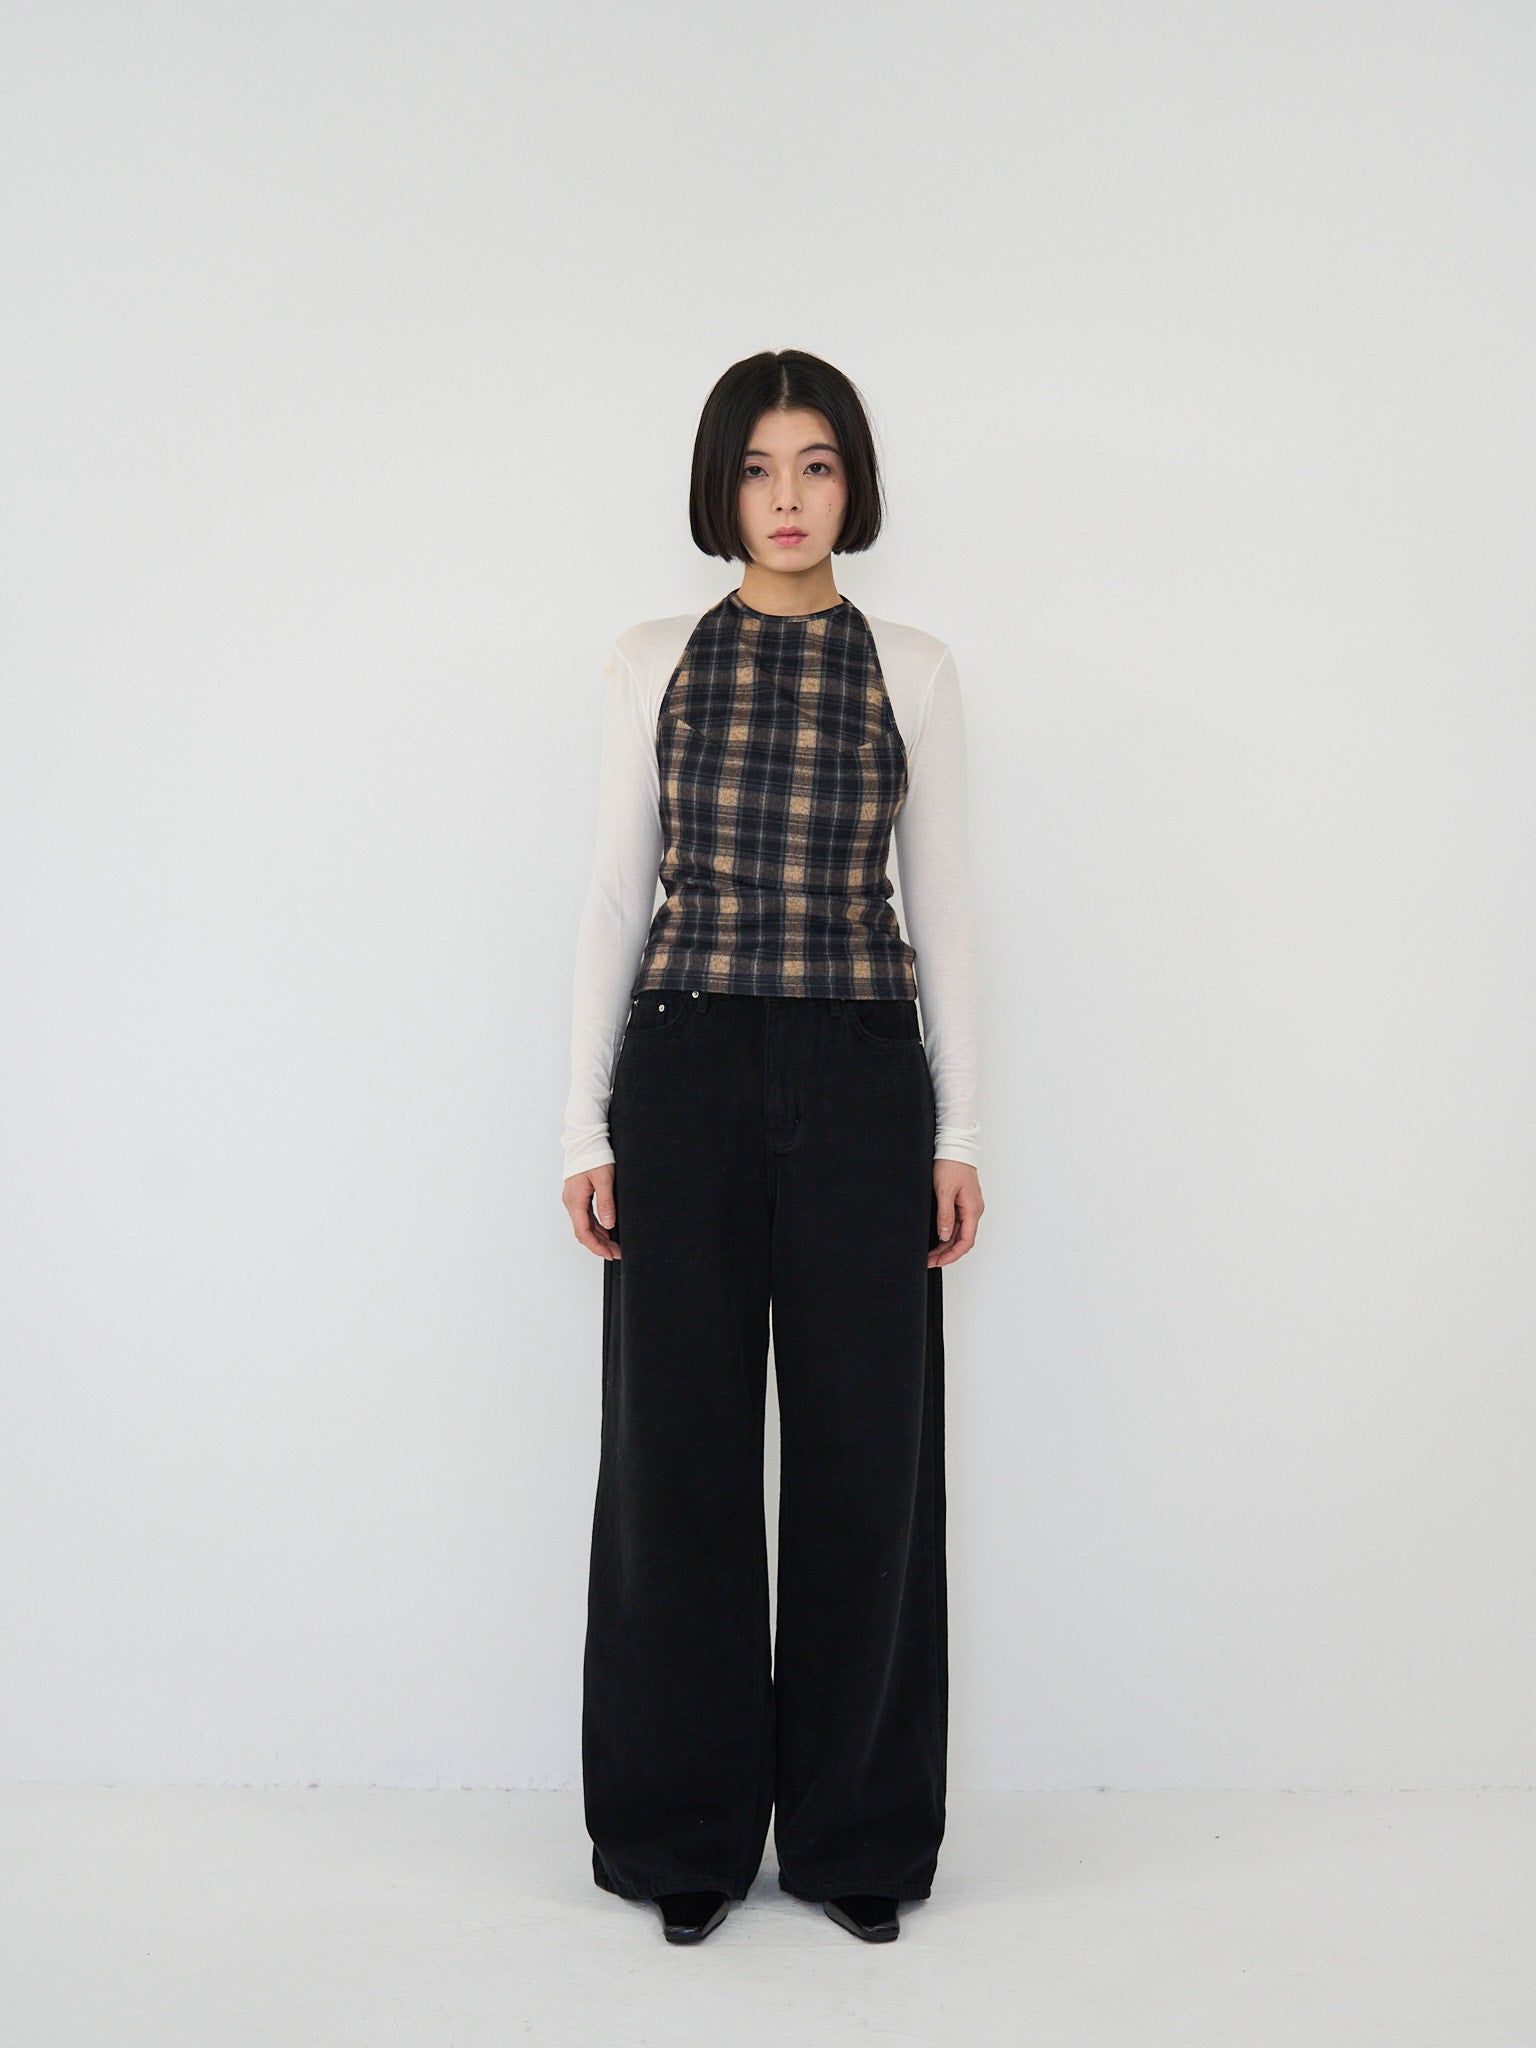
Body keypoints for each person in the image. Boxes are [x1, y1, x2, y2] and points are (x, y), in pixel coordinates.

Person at [559, 348, 984, 1946]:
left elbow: (944, 907)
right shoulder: (651, 657)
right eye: (756, 467)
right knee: (676, 1455)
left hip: (864, 1074)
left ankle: (857, 1836)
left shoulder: (916, 668)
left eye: (815, 465)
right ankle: (680, 1838)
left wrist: (959, 1127)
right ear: (719, 488)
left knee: (871, 1457)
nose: (787, 498)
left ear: (852, 483)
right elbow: (616, 891)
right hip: (683, 1069)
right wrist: (582, 1121)